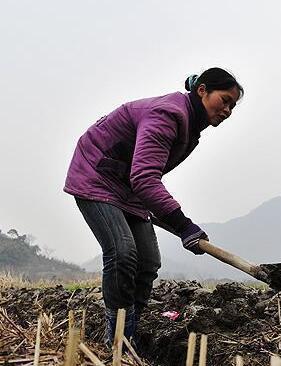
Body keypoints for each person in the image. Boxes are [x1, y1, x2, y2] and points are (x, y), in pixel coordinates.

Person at [64, 67, 243, 344]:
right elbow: (146, 177)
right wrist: (183, 225)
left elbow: (145, 175)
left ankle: (129, 331)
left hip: (128, 185)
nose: (228, 110)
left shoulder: (191, 127)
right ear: (202, 90)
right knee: (123, 253)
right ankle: (118, 339)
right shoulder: (168, 115)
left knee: (148, 262)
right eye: (225, 100)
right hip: (97, 174)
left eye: (233, 105)